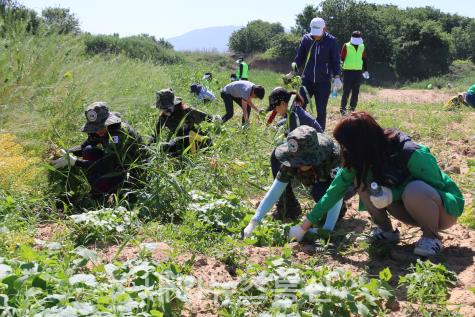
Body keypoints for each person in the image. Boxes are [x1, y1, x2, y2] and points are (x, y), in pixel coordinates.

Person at [289, 112, 465, 257]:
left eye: (346, 145)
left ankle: (431, 238)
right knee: (362, 181)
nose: (343, 150)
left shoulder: (410, 153)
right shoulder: (360, 159)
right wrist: (305, 225)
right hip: (409, 211)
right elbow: (335, 190)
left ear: (359, 144)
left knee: (414, 189)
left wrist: (393, 194)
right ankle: (386, 231)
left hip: (442, 213)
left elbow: (438, 188)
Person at [243, 125, 344, 238]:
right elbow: (275, 190)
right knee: (317, 189)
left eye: (301, 161)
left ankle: (338, 212)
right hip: (318, 178)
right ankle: (290, 207)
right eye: (296, 161)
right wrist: (254, 222)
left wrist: (326, 229)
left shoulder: (332, 156)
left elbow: (337, 191)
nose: (296, 164)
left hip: (347, 185)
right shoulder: (293, 157)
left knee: (320, 192)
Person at [51, 102, 144, 198]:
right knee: (88, 150)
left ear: (109, 121)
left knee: (98, 178)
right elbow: (84, 146)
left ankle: (108, 192)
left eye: (101, 127)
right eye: (95, 128)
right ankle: (99, 187)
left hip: (133, 170)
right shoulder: (99, 132)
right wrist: (67, 151)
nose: (98, 131)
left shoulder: (118, 134)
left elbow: (107, 165)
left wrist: (75, 162)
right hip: (115, 162)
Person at [289, 17, 342, 131]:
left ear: (324, 28)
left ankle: (320, 134)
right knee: (298, 105)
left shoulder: (331, 41)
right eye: (314, 33)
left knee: (321, 110)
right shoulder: (306, 39)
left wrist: (337, 76)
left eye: (318, 33)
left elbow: (335, 60)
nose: (316, 36)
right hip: (307, 80)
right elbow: (299, 57)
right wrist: (292, 71)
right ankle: (297, 130)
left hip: (323, 82)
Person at [153, 88, 218, 156]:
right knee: (164, 148)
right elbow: (156, 134)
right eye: (162, 108)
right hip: (179, 141)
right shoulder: (163, 117)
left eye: (166, 108)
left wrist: (216, 119)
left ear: (174, 105)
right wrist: (150, 145)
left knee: (183, 154)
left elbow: (206, 116)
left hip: (193, 139)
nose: (165, 111)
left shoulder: (186, 111)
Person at [340, 31, 369, 115]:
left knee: (356, 90)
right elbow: (341, 58)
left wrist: (366, 70)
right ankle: (342, 108)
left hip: (358, 71)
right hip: (347, 71)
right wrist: (338, 71)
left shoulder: (361, 46)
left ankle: (352, 108)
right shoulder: (346, 45)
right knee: (346, 90)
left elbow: (364, 59)